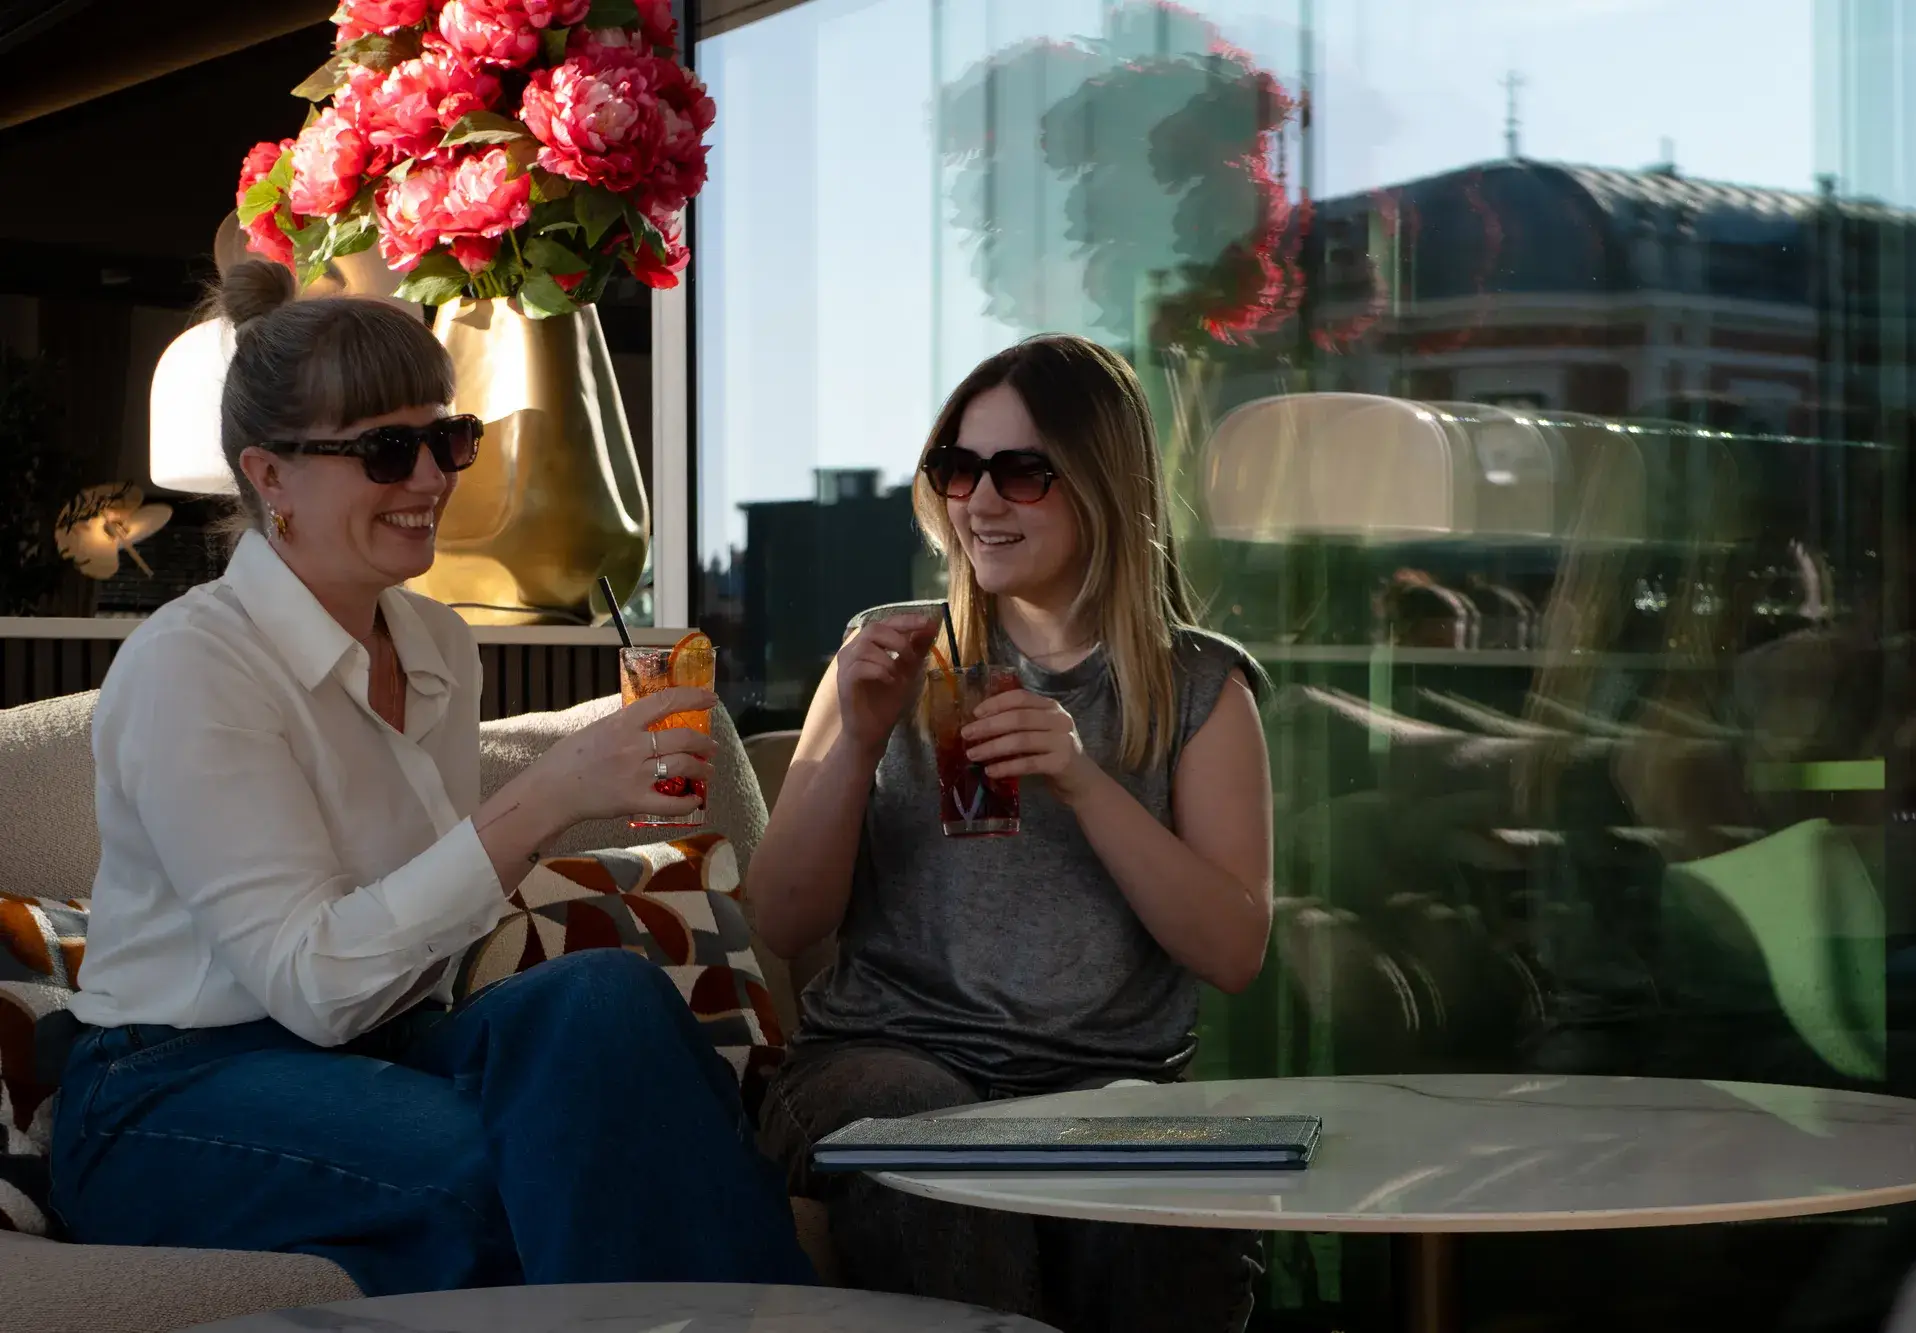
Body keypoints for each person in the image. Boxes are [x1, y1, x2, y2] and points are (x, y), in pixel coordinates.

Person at [49, 261, 814, 1296]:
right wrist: (548, 795)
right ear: (270, 475)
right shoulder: (195, 665)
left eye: (447, 439)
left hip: (387, 1045)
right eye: (386, 451)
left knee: (607, 997)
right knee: (529, 1169)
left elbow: (424, 943)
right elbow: (314, 987)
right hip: (172, 1086)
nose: (432, 480)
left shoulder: (437, 642)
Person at [746, 334, 1274, 1333]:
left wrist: (1082, 779)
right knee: (934, 1141)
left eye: (1021, 472)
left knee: (1166, 1219)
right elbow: (780, 920)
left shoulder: (1201, 685)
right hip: (881, 1059)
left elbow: (1233, 949)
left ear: (1103, 485)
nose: (979, 502)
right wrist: (858, 742)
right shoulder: (886, 651)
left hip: (1104, 1083)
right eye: (958, 467)